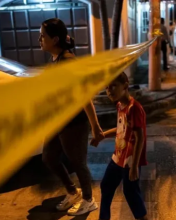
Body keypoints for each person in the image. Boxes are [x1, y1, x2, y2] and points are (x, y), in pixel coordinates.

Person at [39, 18, 104, 215]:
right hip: (58, 121)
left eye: (43, 36)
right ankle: (72, 191)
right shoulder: (55, 59)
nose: (40, 39)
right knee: (49, 157)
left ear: (55, 39)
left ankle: (88, 199)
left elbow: (85, 96)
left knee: (78, 162)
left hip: (74, 123)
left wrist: (95, 126)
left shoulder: (68, 61)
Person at [93, 72, 148, 220]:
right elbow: (120, 129)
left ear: (125, 86)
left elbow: (140, 138)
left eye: (113, 86)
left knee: (131, 193)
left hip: (129, 160)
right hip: (118, 157)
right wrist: (102, 135)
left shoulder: (134, 108)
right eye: (106, 88)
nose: (109, 91)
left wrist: (135, 166)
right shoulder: (120, 105)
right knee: (106, 186)